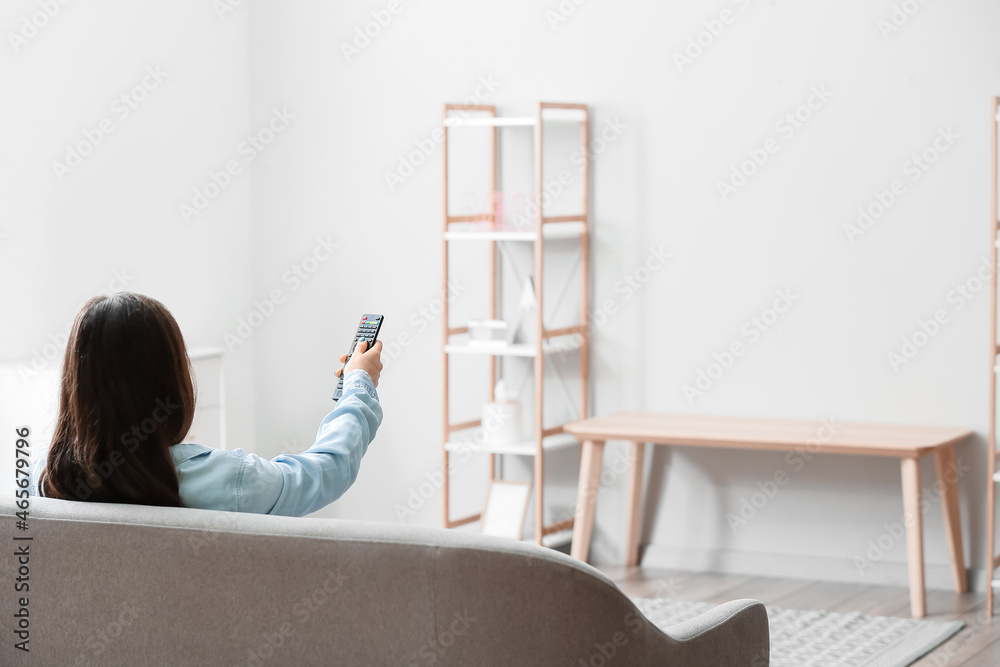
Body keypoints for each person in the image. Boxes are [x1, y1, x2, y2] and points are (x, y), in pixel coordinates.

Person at [29, 292, 383, 516]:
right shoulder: (231, 482)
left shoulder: (40, 484)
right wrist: (358, 383)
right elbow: (327, 471)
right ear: (170, 383)